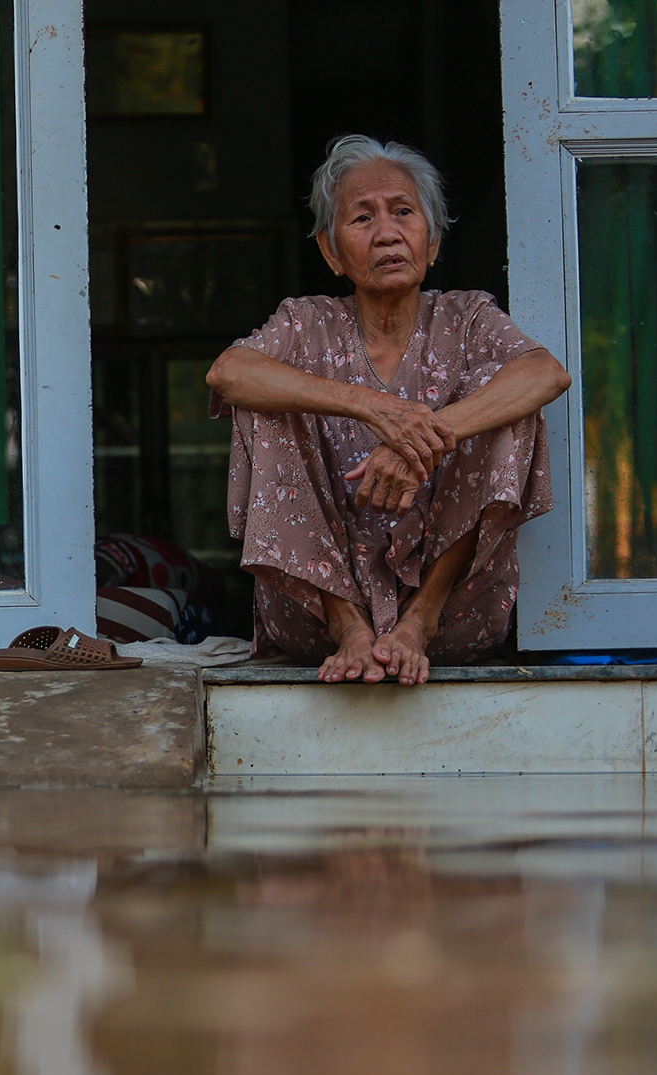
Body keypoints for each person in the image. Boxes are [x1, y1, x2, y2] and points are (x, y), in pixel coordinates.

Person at [207, 135, 572, 684]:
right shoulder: (306, 323)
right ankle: (348, 622)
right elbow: (228, 373)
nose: (387, 233)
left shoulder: (467, 317)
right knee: (263, 402)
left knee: (510, 403)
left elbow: (547, 373)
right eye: (361, 219)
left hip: (453, 616)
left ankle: (416, 622)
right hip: (314, 622)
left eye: (404, 212)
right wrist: (375, 409)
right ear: (331, 251)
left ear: (432, 241)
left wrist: (426, 436)